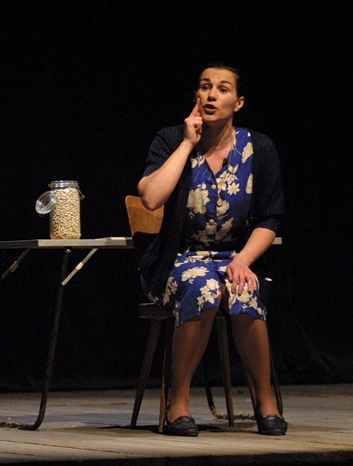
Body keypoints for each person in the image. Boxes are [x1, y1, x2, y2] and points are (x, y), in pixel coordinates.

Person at [137, 63, 287, 436]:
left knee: (244, 290)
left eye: (222, 89)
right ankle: (178, 402)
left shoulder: (260, 148)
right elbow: (151, 198)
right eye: (205, 87)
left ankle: (265, 401)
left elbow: (269, 218)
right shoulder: (170, 139)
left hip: (234, 258)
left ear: (238, 102)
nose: (211, 95)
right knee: (204, 288)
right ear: (195, 96)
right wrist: (188, 143)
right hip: (177, 260)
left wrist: (244, 260)